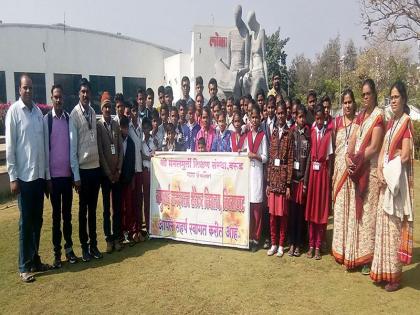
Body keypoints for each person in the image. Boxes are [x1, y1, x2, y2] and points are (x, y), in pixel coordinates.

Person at [6, 74, 50, 282]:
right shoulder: (14, 112)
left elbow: (43, 149)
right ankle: (24, 266)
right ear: (19, 89)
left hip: (39, 178)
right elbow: (11, 149)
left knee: (38, 221)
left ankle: (34, 259)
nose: (29, 91)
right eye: (25, 88)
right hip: (23, 178)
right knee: (26, 223)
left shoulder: (38, 114)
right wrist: (13, 177)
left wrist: (46, 177)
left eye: (31, 88)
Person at [370, 81, 414, 292]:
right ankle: (382, 271)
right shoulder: (391, 124)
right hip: (384, 181)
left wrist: (387, 171)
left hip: (396, 183)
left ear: (404, 99)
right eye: (392, 97)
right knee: (383, 227)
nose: (394, 100)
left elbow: (404, 155)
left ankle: (395, 276)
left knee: (393, 229)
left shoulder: (406, 123)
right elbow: (383, 152)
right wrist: (379, 170)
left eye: (397, 97)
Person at [345, 79, 384, 274]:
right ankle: (355, 255)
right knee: (357, 215)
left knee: (369, 216)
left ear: (375, 94)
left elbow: (375, 146)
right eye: (363, 94)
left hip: (370, 171)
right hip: (359, 170)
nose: (365, 97)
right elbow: (353, 139)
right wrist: (348, 156)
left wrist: (358, 159)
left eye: (368, 94)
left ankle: (368, 259)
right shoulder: (361, 117)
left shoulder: (378, 116)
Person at [69, 78, 103, 262]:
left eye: (87, 92)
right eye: (82, 92)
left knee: (93, 210)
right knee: (83, 210)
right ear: (78, 94)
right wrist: (76, 176)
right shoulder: (74, 115)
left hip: (95, 168)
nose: (85, 95)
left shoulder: (92, 112)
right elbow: (73, 149)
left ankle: (94, 245)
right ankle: (84, 247)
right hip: (82, 171)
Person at [44, 84, 77, 268]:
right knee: (56, 217)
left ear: (63, 99)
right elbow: (44, 150)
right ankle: (57, 253)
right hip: (53, 180)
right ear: (51, 98)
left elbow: (72, 148)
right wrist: (47, 178)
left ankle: (69, 248)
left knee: (67, 216)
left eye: (60, 97)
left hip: (67, 177)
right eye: (55, 97)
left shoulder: (68, 119)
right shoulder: (46, 120)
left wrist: (73, 174)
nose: (58, 100)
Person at [332, 89, 358, 267]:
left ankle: (351, 251)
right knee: (340, 211)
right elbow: (335, 148)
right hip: (339, 172)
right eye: (345, 103)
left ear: (354, 103)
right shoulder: (337, 123)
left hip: (354, 173)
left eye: (350, 102)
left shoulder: (360, 122)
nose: (347, 105)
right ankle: (339, 250)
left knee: (352, 212)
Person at [305, 104, 333, 260]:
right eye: (317, 118)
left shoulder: (329, 135)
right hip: (313, 176)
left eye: (321, 118)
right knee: (311, 211)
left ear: (325, 118)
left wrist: (329, 180)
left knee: (320, 212)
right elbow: (309, 156)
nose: (319, 121)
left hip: (322, 174)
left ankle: (317, 246)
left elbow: (329, 159)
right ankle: (310, 244)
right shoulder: (313, 132)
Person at [265, 102, 293, 257]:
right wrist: (268, 182)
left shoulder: (289, 135)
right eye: (279, 113)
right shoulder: (274, 133)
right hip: (273, 177)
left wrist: (288, 184)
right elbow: (270, 159)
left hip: (283, 179)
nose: (281, 116)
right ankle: (273, 243)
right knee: (272, 215)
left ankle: (282, 244)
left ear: (286, 114)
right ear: (275, 113)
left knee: (282, 215)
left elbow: (290, 160)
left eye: (283, 113)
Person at [97, 94, 123, 253]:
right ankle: (109, 239)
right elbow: (100, 152)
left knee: (117, 208)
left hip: (117, 174)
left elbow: (120, 149)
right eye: (105, 107)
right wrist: (109, 173)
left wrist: (118, 170)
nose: (108, 109)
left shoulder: (116, 125)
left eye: (109, 107)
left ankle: (118, 237)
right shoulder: (98, 126)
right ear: (101, 109)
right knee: (106, 208)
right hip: (106, 176)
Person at [288, 104, 311, 257]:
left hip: (302, 180)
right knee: (292, 214)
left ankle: (298, 244)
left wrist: (306, 181)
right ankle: (291, 244)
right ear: (295, 117)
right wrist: (288, 183)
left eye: (303, 117)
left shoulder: (308, 135)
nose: (301, 119)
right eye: (299, 116)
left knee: (301, 215)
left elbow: (309, 160)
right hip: (292, 180)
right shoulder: (291, 134)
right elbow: (289, 157)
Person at [245, 105, 268, 252]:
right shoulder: (246, 136)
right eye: (252, 117)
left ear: (260, 118)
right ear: (249, 118)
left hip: (258, 174)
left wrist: (255, 156)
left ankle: (257, 238)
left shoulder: (263, 136)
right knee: (249, 208)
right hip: (248, 175)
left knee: (257, 210)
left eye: (256, 117)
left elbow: (266, 157)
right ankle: (249, 236)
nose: (254, 120)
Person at [128, 101, 144, 243]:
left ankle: (139, 228)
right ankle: (133, 230)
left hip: (140, 169)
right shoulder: (127, 127)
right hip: (132, 170)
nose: (135, 113)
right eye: (133, 110)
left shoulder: (139, 128)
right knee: (132, 202)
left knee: (139, 201)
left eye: (136, 111)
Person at [119, 116, 136, 246]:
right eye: (121, 127)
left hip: (128, 179)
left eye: (125, 127)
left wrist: (132, 178)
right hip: (118, 180)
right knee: (120, 208)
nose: (123, 130)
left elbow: (132, 162)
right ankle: (120, 232)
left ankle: (129, 232)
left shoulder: (131, 143)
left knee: (129, 207)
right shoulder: (116, 141)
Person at [141, 118, 156, 236]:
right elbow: (140, 156)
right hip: (144, 172)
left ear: (150, 128)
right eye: (144, 128)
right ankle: (146, 225)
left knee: (152, 199)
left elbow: (156, 156)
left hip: (153, 173)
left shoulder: (153, 141)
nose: (146, 130)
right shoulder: (139, 141)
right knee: (144, 199)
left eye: (147, 127)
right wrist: (148, 158)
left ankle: (152, 225)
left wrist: (147, 157)